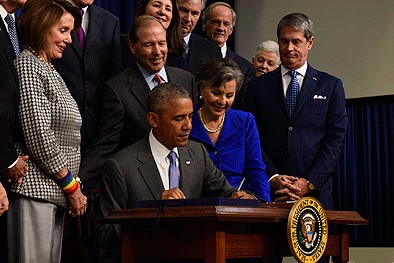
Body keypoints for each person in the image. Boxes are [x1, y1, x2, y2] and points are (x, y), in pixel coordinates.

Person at [97, 83, 255, 262]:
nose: (188, 126)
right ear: (153, 120)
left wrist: (239, 196)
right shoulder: (121, 166)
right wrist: (154, 212)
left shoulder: (198, 153)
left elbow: (226, 192)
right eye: (178, 119)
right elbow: (105, 234)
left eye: (190, 117)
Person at [7, 0, 88, 262]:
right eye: (63, 31)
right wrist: (71, 186)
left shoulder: (48, 67)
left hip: (53, 192)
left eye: (71, 32)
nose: (69, 40)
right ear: (42, 26)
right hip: (35, 191)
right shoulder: (29, 64)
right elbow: (38, 133)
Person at [78, 15, 196, 191]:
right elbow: (106, 143)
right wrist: (78, 182)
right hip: (142, 183)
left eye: (161, 43)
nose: (157, 51)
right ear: (133, 47)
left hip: (182, 179)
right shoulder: (117, 89)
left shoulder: (185, 79)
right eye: (149, 45)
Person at [246, 13, 347, 210]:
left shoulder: (331, 86)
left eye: (296, 42)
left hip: (315, 196)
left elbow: (335, 140)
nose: (289, 48)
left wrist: (309, 182)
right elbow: (252, 138)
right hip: (270, 192)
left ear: (310, 43)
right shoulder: (258, 87)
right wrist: (273, 177)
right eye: (284, 41)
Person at [189, 58, 270, 202]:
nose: (222, 101)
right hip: (196, 204)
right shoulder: (187, 121)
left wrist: (262, 202)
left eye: (229, 95)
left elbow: (256, 167)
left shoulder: (244, 120)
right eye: (216, 93)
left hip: (238, 203)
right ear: (201, 89)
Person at [52, 0, 121, 155]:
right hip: (57, 133)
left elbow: (113, 82)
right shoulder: (48, 13)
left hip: (98, 135)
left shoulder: (110, 21)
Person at [202, 2, 254, 109]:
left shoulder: (245, 68)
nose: (220, 28)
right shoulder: (190, 56)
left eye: (226, 24)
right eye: (216, 22)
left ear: (231, 30)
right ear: (204, 25)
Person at [121, 0, 187, 70]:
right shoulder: (121, 46)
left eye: (168, 9)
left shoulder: (178, 54)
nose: (162, 12)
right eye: (156, 5)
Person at [176, 0, 222, 75]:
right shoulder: (159, 44)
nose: (188, 19)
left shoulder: (212, 51)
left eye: (194, 13)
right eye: (183, 10)